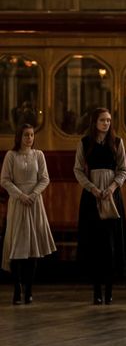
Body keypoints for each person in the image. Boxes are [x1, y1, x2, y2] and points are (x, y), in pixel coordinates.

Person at [74, 107, 126, 304]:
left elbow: (123, 169)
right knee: (95, 243)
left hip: (112, 196)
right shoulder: (85, 143)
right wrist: (92, 188)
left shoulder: (117, 142)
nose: (106, 123)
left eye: (109, 120)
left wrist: (112, 187)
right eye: (103, 120)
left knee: (110, 243)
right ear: (94, 122)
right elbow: (78, 169)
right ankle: (96, 290)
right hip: (92, 196)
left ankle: (109, 289)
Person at [2, 124, 56, 304]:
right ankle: (17, 288)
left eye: (32, 135)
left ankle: (29, 290)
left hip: (34, 202)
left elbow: (45, 178)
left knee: (33, 248)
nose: (29, 138)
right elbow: (5, 180)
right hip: (18, 203)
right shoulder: (11, 156)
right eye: (26, 135)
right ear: (19, 137)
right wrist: (20, 195)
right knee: (18, 246)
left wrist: (33, 194)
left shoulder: (38, 155)